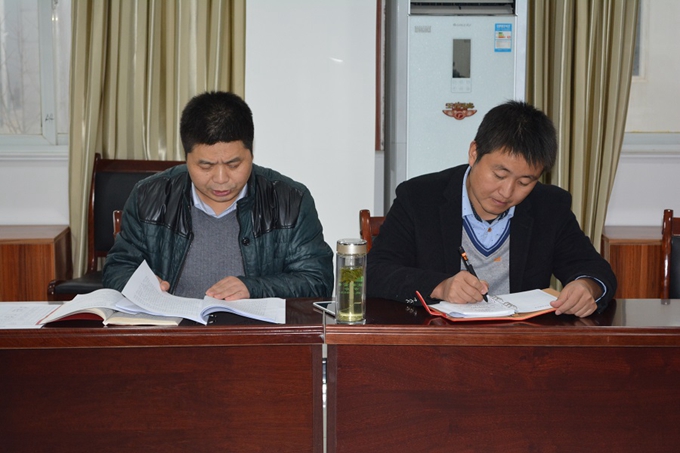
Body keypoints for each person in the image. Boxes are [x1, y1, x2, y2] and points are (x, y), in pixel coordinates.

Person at [367, 100, 616, 317]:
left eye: (524, 182)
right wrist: (440, 286)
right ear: (474, 153)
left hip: (520, 344)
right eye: (499, 175)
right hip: (439, 342)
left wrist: (587, 286)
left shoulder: (549, 206)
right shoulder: (419, 198)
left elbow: (595, 269)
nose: (507, 192)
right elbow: (375, 272)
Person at [103, 91, 333, 300]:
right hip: (172, 329)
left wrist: (255, 288)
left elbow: (317, 281)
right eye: (206, 166)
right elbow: (118, 268)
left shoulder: (290, 200)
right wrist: (140, 284)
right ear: (186, 158)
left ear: (251, 153)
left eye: (234, 165)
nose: (221, 178)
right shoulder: (149, 197)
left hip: (252, 331)